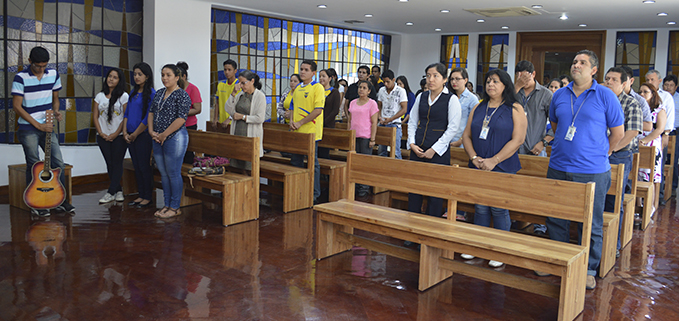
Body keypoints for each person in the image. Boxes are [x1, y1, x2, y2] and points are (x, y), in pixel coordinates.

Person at [544, 50, 624, 290]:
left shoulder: (605, 95)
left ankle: (588, 268)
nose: (576, 65)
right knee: (556, 216)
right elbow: (557, 126)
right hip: (558, 166)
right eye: (574, 62)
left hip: (592, 171)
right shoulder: (559, 94)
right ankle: (559, 261)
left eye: (582, 63)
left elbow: (618, 134)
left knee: (590, 221)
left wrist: (601, 154)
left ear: (594, 70)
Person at [460, 69, 527, 267]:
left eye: (495, 81)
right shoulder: (479, 107)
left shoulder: (514, 108)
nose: (491, 85)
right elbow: (466, 136)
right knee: (480, 207)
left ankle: (499, 249)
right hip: (479, 165)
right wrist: (473, 158)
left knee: (498, 208)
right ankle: (478, 246)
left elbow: (518, 140)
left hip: (503, 166)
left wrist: (494, 160)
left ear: (505, 85)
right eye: (488, 81)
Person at [11, 46, 75, 216]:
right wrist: (38, 125)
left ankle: (61, 201)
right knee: (34, 164)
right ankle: (35, 203)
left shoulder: (53, 74)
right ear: (30, 61)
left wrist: (56, 111)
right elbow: (17, 106)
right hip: (28, 128)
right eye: (38, 66)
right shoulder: (21, 77)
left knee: (58, 163)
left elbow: (55, 99)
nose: (41, 69)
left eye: (44, 66)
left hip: (47, 126)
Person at [407, 62, 462, 217]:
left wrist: (434, 150)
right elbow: (412, 121)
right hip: (417, 149)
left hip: (438, 153)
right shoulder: (421, 96)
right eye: (428, 76)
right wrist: (411, 143)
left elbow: (452, 128)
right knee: (414, 191)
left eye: (435, 76)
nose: (430, 79)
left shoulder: (451, 100)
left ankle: (431, 232)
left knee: (434, 194)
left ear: (445, 79)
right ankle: (412, 229)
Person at [602, 67, 643, 253]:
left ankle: (613, 245)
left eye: (614, 80)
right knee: (596, 197)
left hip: (619, 155)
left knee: (613, 200)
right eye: (607, 78)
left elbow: (632, 133)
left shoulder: (631, 104)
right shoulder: (599, 99)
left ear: (624, 84)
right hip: (599, 154)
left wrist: (611, 149)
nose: (609, 82)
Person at [513, 60, 554, 235]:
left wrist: (544, 142)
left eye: (526, 77)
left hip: (536, 147)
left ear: (534, 74)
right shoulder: (513, 92)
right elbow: (502, 107)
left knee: (538, 188)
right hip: (514, 147)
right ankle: (516, 217)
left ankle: (540, 225)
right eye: (519, 76)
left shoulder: (546, 94)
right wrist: (516, 86)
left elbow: (556, 123)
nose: (523, 80)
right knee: (515, 185)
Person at [148, 64, 191, 219]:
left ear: (177, 77)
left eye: (168, 75)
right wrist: (151, 131)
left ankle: (175, 207)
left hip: (175, 138)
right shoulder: (159, 93)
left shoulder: (182, 95)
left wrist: (164, 134)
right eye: (162, 75)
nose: (164, 78)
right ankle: (167, 205)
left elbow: (181, 118)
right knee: (163, 173)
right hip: (158, 137)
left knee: (173, 172)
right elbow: (151, 113)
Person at [290, 60, 325, 203]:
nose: (302, 72)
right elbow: (292, 106)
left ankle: (314, 194)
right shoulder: (298, 88)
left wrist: (300, 122)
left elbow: (317, 110)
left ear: (313, 73)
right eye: (301, 69)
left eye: (306, 70)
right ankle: (299, 190)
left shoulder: (317, 88)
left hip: (311, 132)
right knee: (295, 161)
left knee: (312, 163)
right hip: (297, 131)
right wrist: (292, 121)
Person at [93, 68, 129, 204]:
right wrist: (101, 133)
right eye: (109, 76)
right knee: (109, 163)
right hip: (102, 136)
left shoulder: (124, 96)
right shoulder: (99, 96)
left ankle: (110, 192)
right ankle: (118, 190)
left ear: (119, 80)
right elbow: (95, 116)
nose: (111, 79)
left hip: (119, 136)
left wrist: (115, 134)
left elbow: (125, 116)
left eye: (115, 77)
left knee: (117, 162)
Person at [123, 62, 156, 208]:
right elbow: (127, 113)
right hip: (130, 135)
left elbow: (148, 119)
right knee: (136, 165)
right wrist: (125, 132)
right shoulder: (133, 92)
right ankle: (140, 195)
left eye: (139, 74)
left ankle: (147, 196)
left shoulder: (152, 94)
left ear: (147, 76)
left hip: (142, 135)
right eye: (135, 74)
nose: (136, 77)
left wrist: (135, 134)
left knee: (144, 166)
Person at [224, 70, 266, 170]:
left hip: (250, 135)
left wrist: (243, 117)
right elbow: (229, 109)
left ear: (252, 81)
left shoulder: (260, 96)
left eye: (243, 83)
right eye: (239, 83)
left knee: (249, 167)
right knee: (236, 167)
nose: (241, 86)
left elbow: (260, 118)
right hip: (237, 133)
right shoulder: (240, 95)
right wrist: (233, 93)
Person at [645, 70, 676, 203]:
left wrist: (666, 134)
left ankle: (660, 196)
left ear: (659, 81)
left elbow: (669, 117)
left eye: (652, 80)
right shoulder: (642, 95)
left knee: (658, 166)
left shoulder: (666, 96)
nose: (649, 82)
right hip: (644, 135)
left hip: (659, 134)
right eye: (647, 80)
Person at [348, 80, 379, 196]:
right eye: (360, 87)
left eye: (364, 88)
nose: (361, 89)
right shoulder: (352, 102)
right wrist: (348, 134)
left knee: (364, 164)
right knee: (354, 163)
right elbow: (350, 120)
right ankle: (355, 186)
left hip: (366, 137)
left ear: (369, 91)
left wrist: (373, 139)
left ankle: (364, 189)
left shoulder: (372, 104)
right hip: (353, 136)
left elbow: (374, 122)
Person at [637, 83, 666, 185]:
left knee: (650, 178)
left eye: (645, 92)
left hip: (651, 143)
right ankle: (638, 202)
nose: (642, 94)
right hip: (638, 142)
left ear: (653, 94)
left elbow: (659, 129)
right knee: (637, 175)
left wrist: (644, 141)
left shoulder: (659, 110)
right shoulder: (638, 108)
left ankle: (650, 201)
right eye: (640, 92)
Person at [376, 70, 407, 159]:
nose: (385, 84)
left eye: (388, 82)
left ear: (393, 80)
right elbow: (379, 106)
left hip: (395, 124)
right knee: (381, 151)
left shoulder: (401, 91)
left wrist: (391, 119)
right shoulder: (382, 90)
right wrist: (379, 117)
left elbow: (404, 109)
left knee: (396, 151)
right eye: (384, 82)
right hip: (383, 123)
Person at [176, 61, 202, 164]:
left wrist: (181, 112)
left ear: (184, 76)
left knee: (187, 153)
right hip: (175, 125)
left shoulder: (193, 89)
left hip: (189, 125)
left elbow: (197, 109)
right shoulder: (174, 89)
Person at [447, 67, 480, 148]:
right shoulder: (448, 96)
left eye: (457, 79)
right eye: (452, 79)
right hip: (446, 140)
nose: (454, 82)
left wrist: (461, 140)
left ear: (465, 80)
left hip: (462, 142)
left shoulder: (472, 99)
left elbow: (474, 123)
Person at [318, 69, 341, 159]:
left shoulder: (334, 92)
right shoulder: (317, 91)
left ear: (330, 78)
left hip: (327, 125)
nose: (321, 78)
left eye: (323, 76)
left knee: (324, 152)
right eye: (319, 76)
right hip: (316, 125)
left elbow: (335, 111)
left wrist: (323, 122)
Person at [663, 74, 679, 192]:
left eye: (671, 85)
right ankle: (662, 185)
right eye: (666, 85)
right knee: (662, 158)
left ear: (676, 86)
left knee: (673, 159)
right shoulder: (660, 97)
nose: (668, 88)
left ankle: (673, 187)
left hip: (676, 132)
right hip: (661, 132)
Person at [213, 59, 239, 128]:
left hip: (234, 122)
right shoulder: (220, 85)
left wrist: (230, 118)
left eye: (229, 70)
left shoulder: (239, 85)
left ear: (235, 71)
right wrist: (215, 118)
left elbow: (240, 106)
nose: (227, 72)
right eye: (225, 69)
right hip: (221, 122)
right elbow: (217, 103)